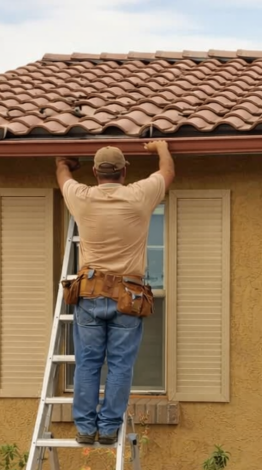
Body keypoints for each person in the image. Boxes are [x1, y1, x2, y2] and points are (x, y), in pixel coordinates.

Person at [55, 141, 175, 445]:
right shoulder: (138, 196)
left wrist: (64, 163)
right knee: (120, 365)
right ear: (124, 172)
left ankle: (85, 428)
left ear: (95, 172)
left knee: (88, 363)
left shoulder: (81, 197)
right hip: (128, 296)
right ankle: (108, 429)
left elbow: (62, 176)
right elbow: (167, 173)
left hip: (90, 293)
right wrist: (161, 148)